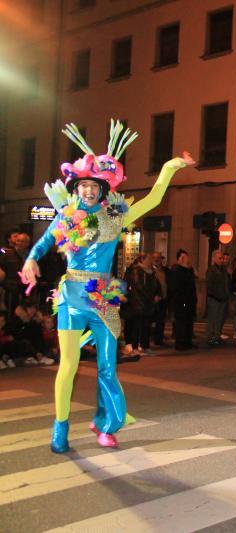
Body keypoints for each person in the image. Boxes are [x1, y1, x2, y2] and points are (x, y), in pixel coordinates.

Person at [21, 120, 194, 453]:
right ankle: (60, 426)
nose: (88, 190)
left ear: (103, 189)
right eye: (84, 185)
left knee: (107, 366)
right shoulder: (66, 216)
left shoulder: (115, 216)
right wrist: (31, 259)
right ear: (77, 188)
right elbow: (43, 244)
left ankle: (106, 424)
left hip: (102, 298)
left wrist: (171, 167)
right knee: (68, 366)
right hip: (71, 294)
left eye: (94, 186)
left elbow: (154, 198)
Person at [126, 253, 161, 355]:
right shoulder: (137, 270)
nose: (151, 261)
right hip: (139, 302)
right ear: (142, 260)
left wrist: (158, 295)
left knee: (146, 326)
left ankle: (145, 346)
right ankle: (135, 347)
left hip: (148, 303)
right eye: (149, 259)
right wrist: (151, 296)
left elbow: (157, 285)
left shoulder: (151, 272)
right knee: (137, 326)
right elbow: (139, 286)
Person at [170, 249, 197, 351]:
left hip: (189, 300)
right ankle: (180, 343)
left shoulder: (189, 270)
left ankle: (188, 341)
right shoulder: (176, 270)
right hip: (181, 301)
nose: (187, 260)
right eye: (185, 258)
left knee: (189, 322)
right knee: (181, 323)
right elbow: (177, 286)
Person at [205, 250, 230, 346]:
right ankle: (210, 337)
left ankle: (216, 336)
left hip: (222, 298)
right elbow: (210, 285)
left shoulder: (223, 270)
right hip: (215, 298)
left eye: (222, 258)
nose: (221, 260)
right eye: (219, 258)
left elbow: (226, 283)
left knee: (220, 319)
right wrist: (217, 295)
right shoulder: (211, 270)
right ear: (214, 259)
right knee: (213, 319)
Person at [151, 251, 168, 347]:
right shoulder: (150, 271)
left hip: (163, 299)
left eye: (158, 257)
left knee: (161, 321)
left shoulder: (165, 271)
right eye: (154, 257)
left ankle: (159, 339)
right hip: (154, 299)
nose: (156, 259)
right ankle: (152, 339)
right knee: (152, 321)